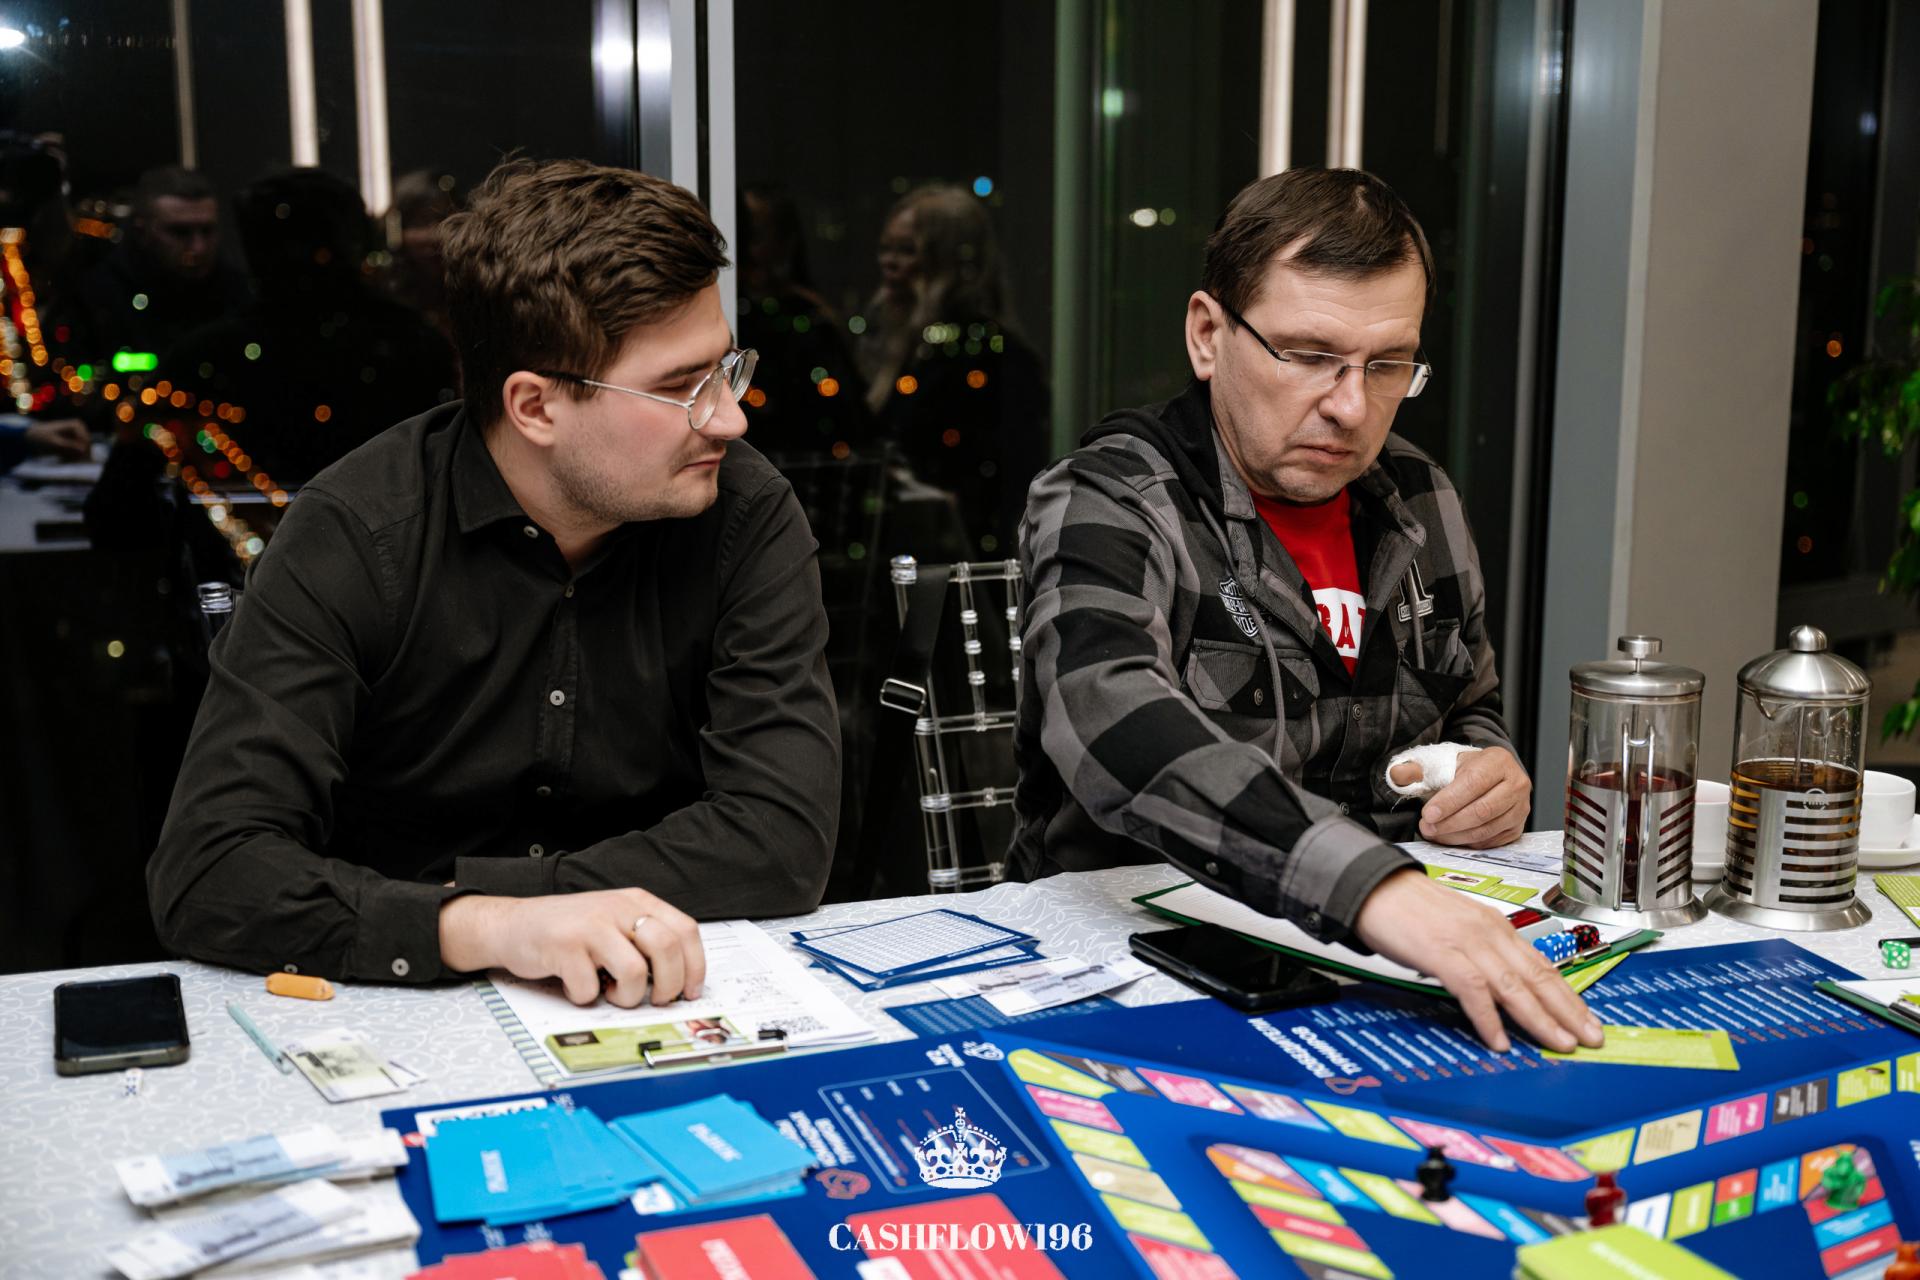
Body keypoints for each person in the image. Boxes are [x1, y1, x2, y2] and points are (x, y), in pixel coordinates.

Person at [148, 159, 841, 1007]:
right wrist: (482, 925)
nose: (729, 416)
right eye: (681, 388)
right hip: (394, 1008)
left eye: (726, 369)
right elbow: (211, 868)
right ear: (535, 407)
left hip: (677, 993)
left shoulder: (743, 512)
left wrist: (506, 904)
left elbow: (780, 839)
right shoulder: (360, 533)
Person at [1010, 168, 1602, 1055]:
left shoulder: (1419, 496)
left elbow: (1467, 706)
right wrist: (1375, 889)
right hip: (1147, 970)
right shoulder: (1108, 498)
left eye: (1387, 364)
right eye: (1309, 355)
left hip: (1395, 970)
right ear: (1208, 335)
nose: (1351, 406)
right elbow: (1115, 723)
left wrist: (1491, 775)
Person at [74, 165, 249, 357]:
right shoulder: (100, 297)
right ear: (142, 232)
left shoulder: (239, 293)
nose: (198, 247)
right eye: (180, 232)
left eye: (207, 231)